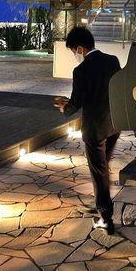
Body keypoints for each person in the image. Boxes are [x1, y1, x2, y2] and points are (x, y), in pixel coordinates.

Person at [53, 27, 120, 234]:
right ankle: (100, 202)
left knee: (99, 170)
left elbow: (76, 103)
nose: (75, 54)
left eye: (74, 50)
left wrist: (64, 108)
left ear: (80, 48)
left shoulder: (80, 70)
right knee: (103, 167)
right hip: (114, 123)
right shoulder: (113, 61)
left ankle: (105, 218)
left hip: (95, 128)